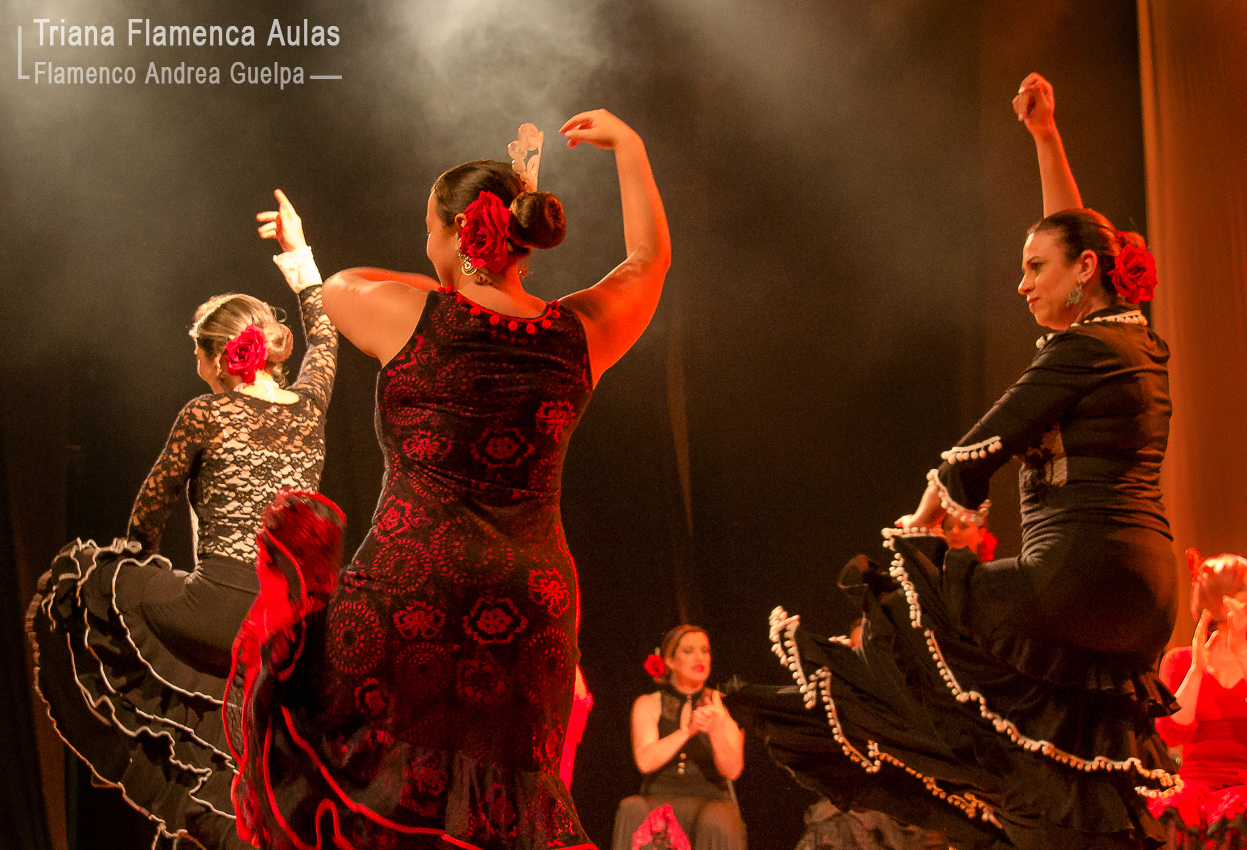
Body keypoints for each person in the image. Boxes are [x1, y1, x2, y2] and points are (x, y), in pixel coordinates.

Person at [726, 73, 1178, 850]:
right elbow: (1072, 233)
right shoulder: (1129, 338)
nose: (1021, 283)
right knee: (1064, 745)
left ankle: (963, 804)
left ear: (1083, 274)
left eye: (1035, 268)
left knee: (908, 613)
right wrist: (1044, 138)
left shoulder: (1081, 350)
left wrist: (925, 513)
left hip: (1078, 573)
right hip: (1142, 599)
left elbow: (983, 441)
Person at [227, 111, 671, 849]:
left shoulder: (406, 313)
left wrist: (460, 279)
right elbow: (647, 263)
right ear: (521, 237)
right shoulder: (577, 334)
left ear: (456, 234)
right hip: (533, 606)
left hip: (414, 587)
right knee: (509, 808)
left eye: (430, 230)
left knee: (373, 786)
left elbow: (342, 284)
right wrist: (631, 145)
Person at [25, 190, 338, 849]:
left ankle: (206, 817)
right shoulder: (310, 404)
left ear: (213, 359)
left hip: (221, 606)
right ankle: (228, 818)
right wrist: (298, 252)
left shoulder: (205, 412)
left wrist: (136, 556)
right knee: (235, 721)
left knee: (84, 588)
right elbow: (327, 335)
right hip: (297, 628)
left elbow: (152, 502)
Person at [612, 626, 747, 850]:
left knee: (718, 820)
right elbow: (645, 762)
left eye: (705, 651)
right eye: (688, 651)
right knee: (631, 807)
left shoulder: (723, 704)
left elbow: (732, 770)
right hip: (659, 798)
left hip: (710, 801)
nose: (699, 657)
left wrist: (715, 730)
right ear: (670, 661)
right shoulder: (649, 703)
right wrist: (688, 730)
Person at [1148, 550, 1247, 849]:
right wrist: (1197, 669)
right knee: (1171, 812)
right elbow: (1172, 732)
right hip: (1196, 782)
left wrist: (1243, 656)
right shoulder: (1180, 661)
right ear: (1225, 600)